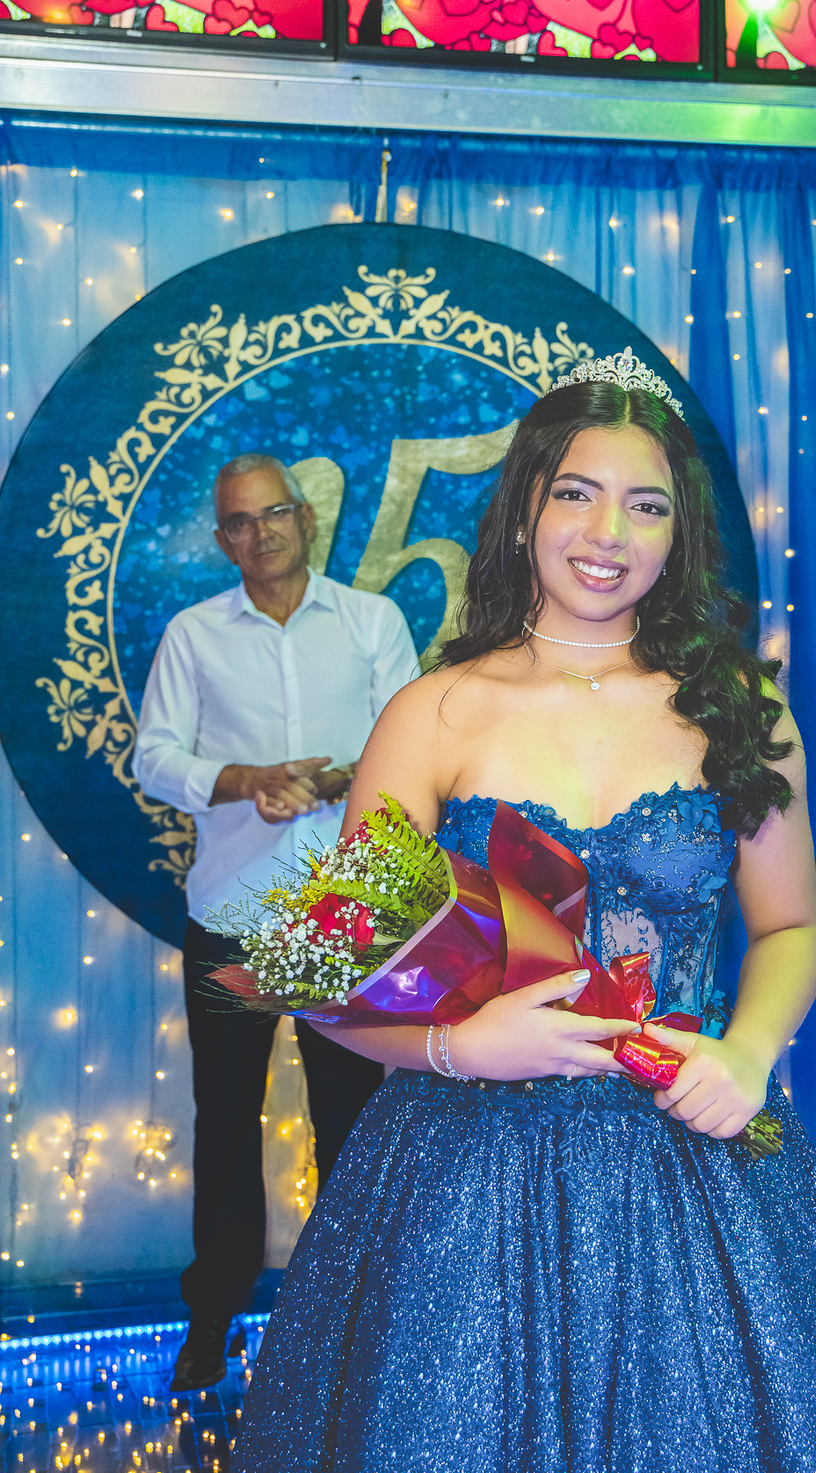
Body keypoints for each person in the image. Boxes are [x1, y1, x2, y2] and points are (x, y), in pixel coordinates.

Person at [231, 359, 816, 1472]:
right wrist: (461, 1046)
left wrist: (747, 1054)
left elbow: (791, 929)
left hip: (697, 1158)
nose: (609, 533)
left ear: (678, 536)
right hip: (465, 1179)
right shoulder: (434, 712)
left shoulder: (739, 706)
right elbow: (333, 985)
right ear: (523, 514)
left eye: (647, 506)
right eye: (576, 494)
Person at [133, 452, 421, 1394]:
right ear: (224, 539)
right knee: (225, 1119)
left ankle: (342, 1320)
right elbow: (154, 758)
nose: (260, 534)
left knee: (353, 1120)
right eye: (239, 522)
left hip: (341, 913)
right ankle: (212, 1318)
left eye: (274, 514)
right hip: (230, 914)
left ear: (305, 517)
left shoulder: (373, 621)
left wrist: (329, 781)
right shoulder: (193, 633)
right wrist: (243, 780)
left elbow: (410, 745)